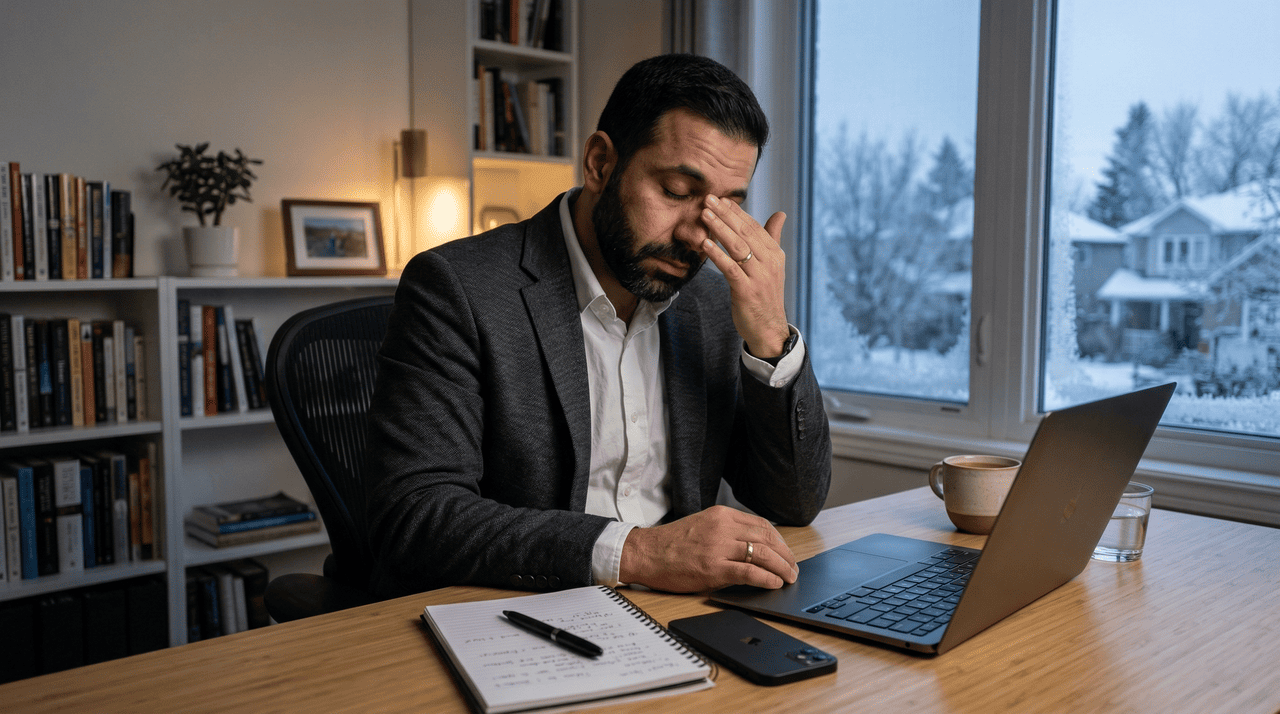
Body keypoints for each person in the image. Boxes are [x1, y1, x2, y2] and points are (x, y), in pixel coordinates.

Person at [364, 53, 832, 597]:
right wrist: (638, 553)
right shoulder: (456, 288)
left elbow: (793, 502)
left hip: (674, 611)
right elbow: (415, 515)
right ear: (600, 164)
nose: (697, 235)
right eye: (677, 192)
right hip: (516, 612)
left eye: (725, 206)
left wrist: (771, 334)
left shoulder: (710, 302)